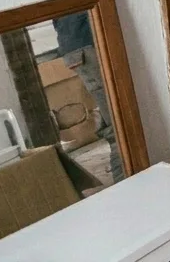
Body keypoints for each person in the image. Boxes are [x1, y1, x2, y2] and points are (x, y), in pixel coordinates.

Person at [52, 12, 124, 184]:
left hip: (73, 42)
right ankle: (129, 188)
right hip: (88, 38)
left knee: (116, 124)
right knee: (121, 129)